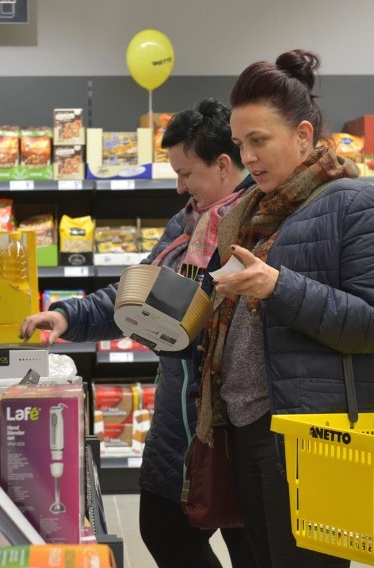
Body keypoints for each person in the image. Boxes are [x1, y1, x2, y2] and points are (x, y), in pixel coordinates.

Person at [20, 98, 256, 568]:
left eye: (187, 173)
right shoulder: (189, 222)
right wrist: (70, 315)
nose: (178, 186)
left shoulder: (257, 225)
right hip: (182, 418)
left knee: (249, 546)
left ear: (224, 165)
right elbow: (143, 287)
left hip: (237, 422)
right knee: (166, 529)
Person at [193, 50, 374, 568]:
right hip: (246, 428)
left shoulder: (357, 203)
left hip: (315, 437)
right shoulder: (246, 213)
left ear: (304, 135)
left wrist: (278, 286)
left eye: (259, 141)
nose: (249, 158)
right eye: (241, 145)